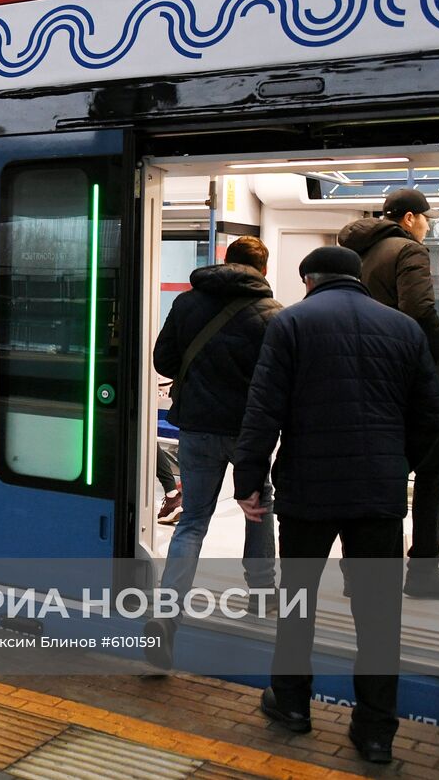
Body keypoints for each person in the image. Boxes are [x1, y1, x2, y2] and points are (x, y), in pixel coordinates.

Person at [233, 246, 439, 765]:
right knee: (378, 616)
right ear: (357, 279)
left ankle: (291, 705)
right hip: (378, 492)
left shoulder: (291, 324)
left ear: (308, 279)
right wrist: (401, 463)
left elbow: (264, 408)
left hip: (309, 489)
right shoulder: (402, 328)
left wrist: (249, 479)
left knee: (297, 600)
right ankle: (375, 733)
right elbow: (432, 416)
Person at [146, 236, 283, 666]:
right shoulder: (272, 314)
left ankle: (167, 615)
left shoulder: (189, 304)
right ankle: (261, 595)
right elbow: (277, 380)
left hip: (198, 427)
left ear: (225, 261)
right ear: (263, 268)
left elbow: (164, 361)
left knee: (192, 523)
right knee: (258, 508)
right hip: (248, 432)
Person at [338, 189, 439, 599]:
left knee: (373, 472)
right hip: (412, 380)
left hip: (365, 379)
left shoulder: (356, 256)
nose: (429, 226)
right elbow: (419, 310)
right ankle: (423, 572)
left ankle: (360, 570)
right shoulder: (409, 251)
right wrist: (434, 361)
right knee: (433, 470)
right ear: (410, 218)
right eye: (427, 219)